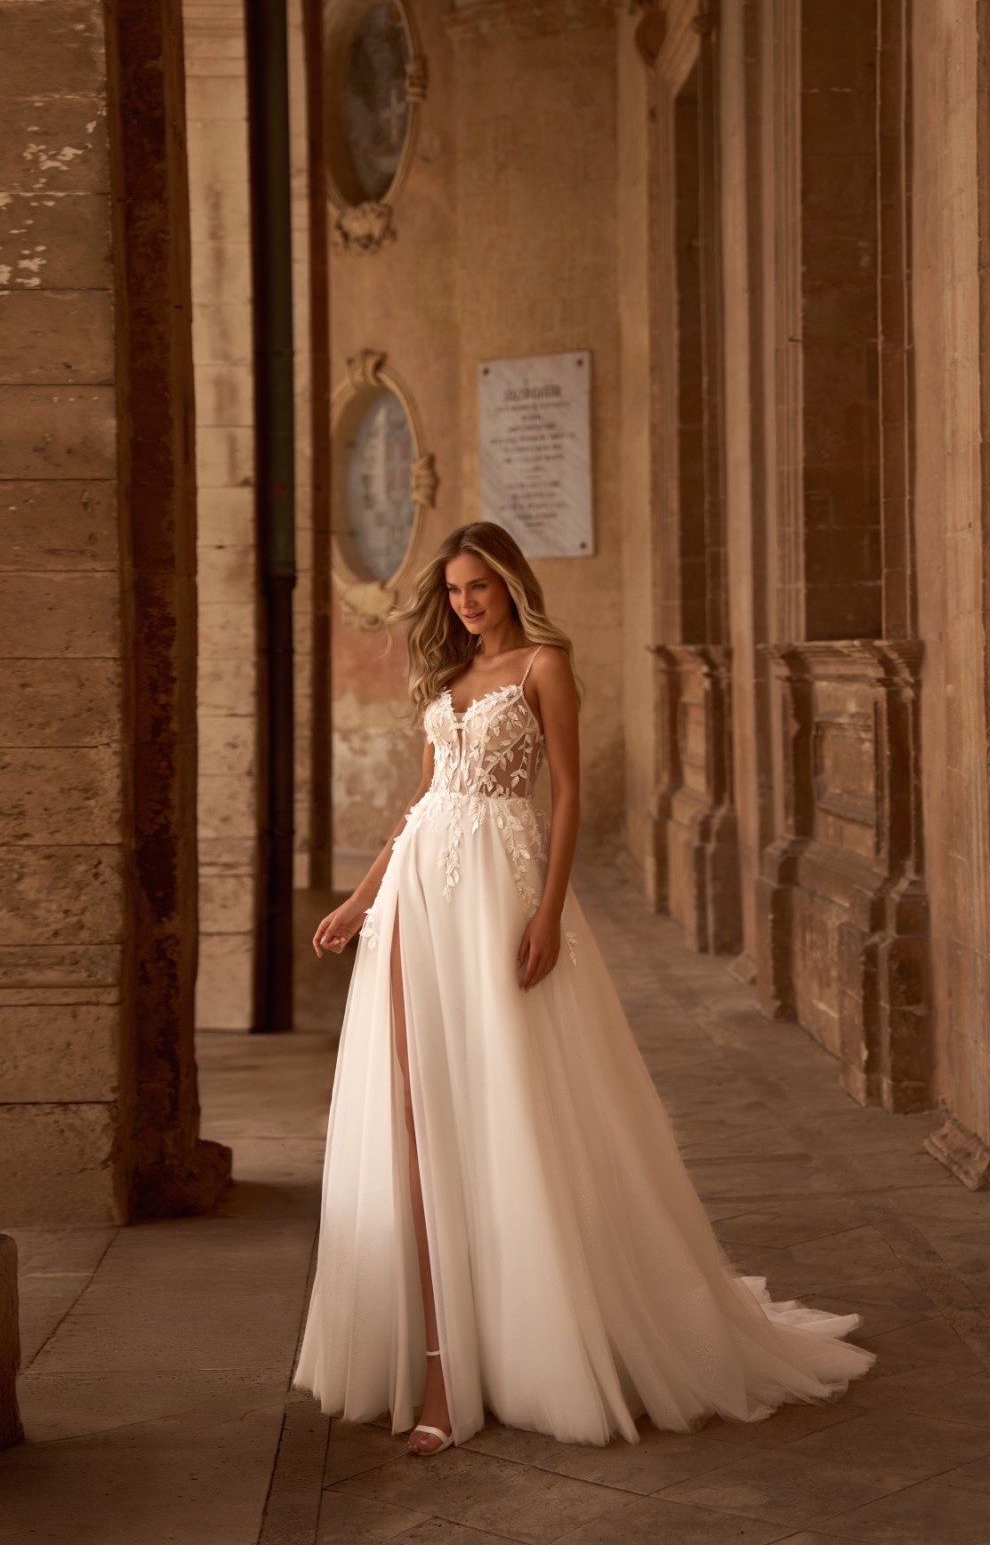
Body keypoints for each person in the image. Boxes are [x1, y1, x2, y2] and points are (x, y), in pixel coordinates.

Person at [291, 519, 875, 1457]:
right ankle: (439, 1356)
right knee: (411, 1111)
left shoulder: (542, 668)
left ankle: (495, 1357)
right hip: (417, 898)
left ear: (510, 582)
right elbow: (423, 796)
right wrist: (363, 896)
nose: (466, 603)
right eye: (453, 590)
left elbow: (566, 792)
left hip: (499, 890)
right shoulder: (446, 680)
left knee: (507, 1102)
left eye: (479, 585)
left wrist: (549, 913)